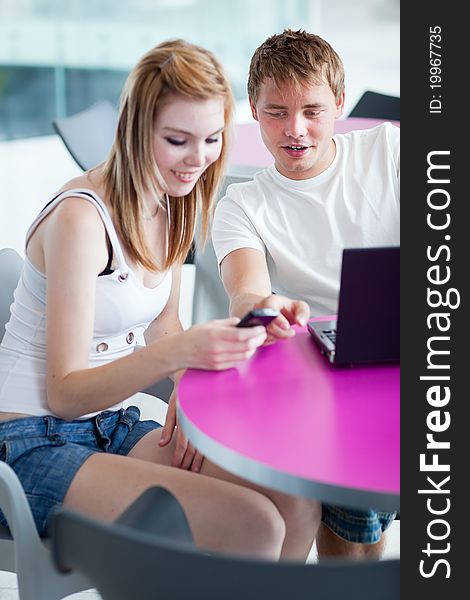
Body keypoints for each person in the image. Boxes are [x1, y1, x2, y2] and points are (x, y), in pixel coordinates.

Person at [0, 39, 320, 561]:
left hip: (108, 423)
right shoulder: (82, 220)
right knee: (252, 523)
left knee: (295, 499)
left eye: (213, 139)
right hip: (26, 440)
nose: (198, 160)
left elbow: (162, 326)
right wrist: (183, 355)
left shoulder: (173, 202)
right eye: (177, 140)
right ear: (135, 130)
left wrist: (201, 372)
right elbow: (64, 394)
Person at [212, 29, 400, 560]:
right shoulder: (242, 205)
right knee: (355, 550)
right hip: (332, 381)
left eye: (313, 110)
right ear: (253, 110)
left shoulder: (392, 150)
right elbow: (246, 292)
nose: (296, 130)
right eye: (276, 113)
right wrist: (262, 310)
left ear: (340, 103)